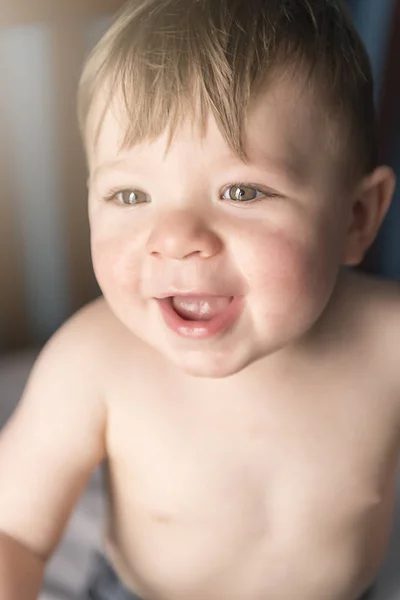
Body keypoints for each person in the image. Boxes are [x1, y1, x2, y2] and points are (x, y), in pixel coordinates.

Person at [0, 0, 398, 598]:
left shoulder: (388, 346)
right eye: (130, 195)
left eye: (240, 189)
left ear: (356, 217)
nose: (176, 239)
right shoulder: (93, 364)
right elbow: (14, 534)